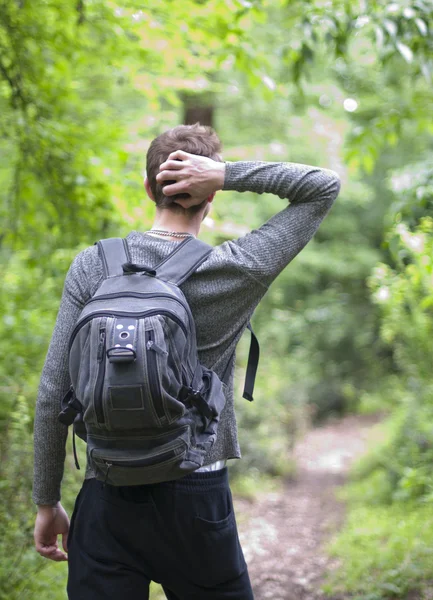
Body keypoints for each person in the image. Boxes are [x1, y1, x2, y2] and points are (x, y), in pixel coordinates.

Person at [33, 123, 341, 599]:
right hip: (196, 495)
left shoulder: (91, 265)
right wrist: (227, 174)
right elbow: (323, 186)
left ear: (147, 187)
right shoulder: (238, 267)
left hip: (106, 490)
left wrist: (46, 500)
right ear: (209, 197)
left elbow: (54, 390)